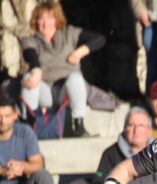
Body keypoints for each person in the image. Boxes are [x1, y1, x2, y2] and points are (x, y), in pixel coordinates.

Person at [21, 1, 105, 138]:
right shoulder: (31, 40)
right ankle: (27, 127)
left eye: (49, 18)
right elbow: (30, 55)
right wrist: (36, 71)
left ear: (56, 19)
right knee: (28, 78)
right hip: (45, 90)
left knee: (76, 78)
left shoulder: (69, 34)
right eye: (40, 19)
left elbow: (99, 39)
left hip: (66, 91)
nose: (45, 23)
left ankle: (79, 124)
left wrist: (80, 51)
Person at [0, 95, 62, 184]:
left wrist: (21, 167)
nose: (3, 121)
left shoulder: (24, 132)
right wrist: (4, 171)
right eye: (0, 116)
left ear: (15, 116)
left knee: (43, 175)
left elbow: (38, 164)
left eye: (7, 116)